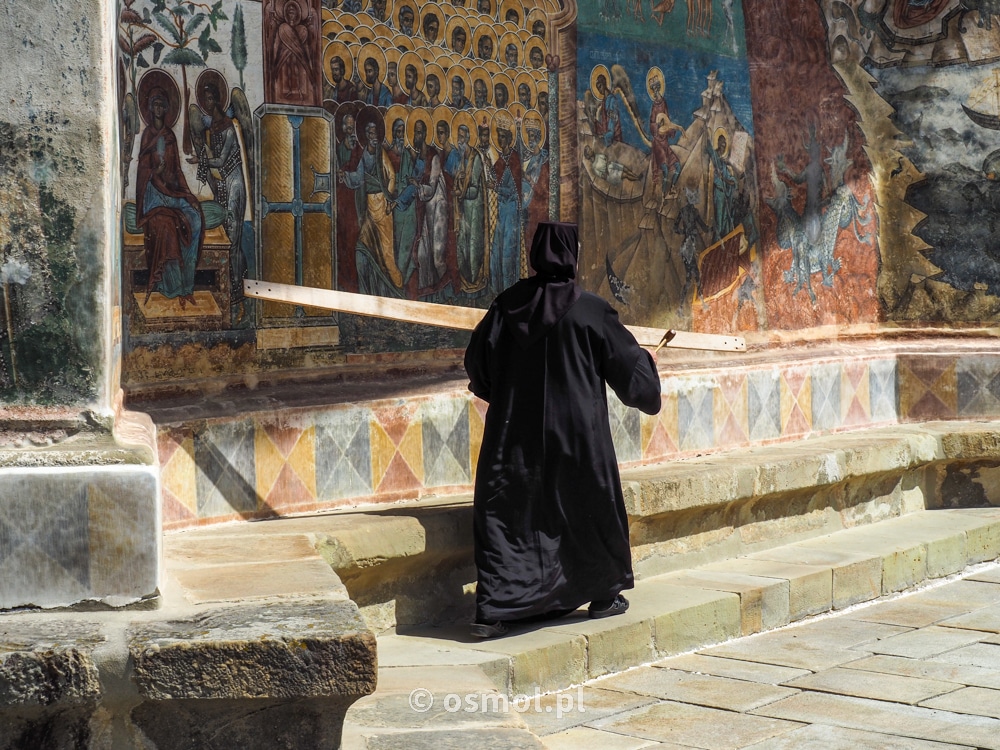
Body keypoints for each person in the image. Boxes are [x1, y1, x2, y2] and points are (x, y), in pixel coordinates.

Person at [464, 222, 662, 638]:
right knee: (587, 508)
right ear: (573, 254)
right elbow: (633, 376)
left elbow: (478, 368)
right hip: (578, 438)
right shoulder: (591, 311)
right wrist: (648, 363)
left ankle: (496, 611)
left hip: (512, 439)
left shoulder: (505, 307)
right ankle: (604, 596)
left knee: (510, 516)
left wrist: (506, 392)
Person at [136, 87, 204, 308]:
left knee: (194, 218)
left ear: (166, 109)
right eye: (154, 104)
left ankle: (187, 287)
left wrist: (187, 193)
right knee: (167, 226)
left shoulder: (170, 136)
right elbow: (143, 173)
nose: (157, 108)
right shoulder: (147, 136)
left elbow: (177, 172)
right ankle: (171, 287)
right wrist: (156, 171)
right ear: (150, 108)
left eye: (161, 105)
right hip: (153, 197)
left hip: (171, 192)